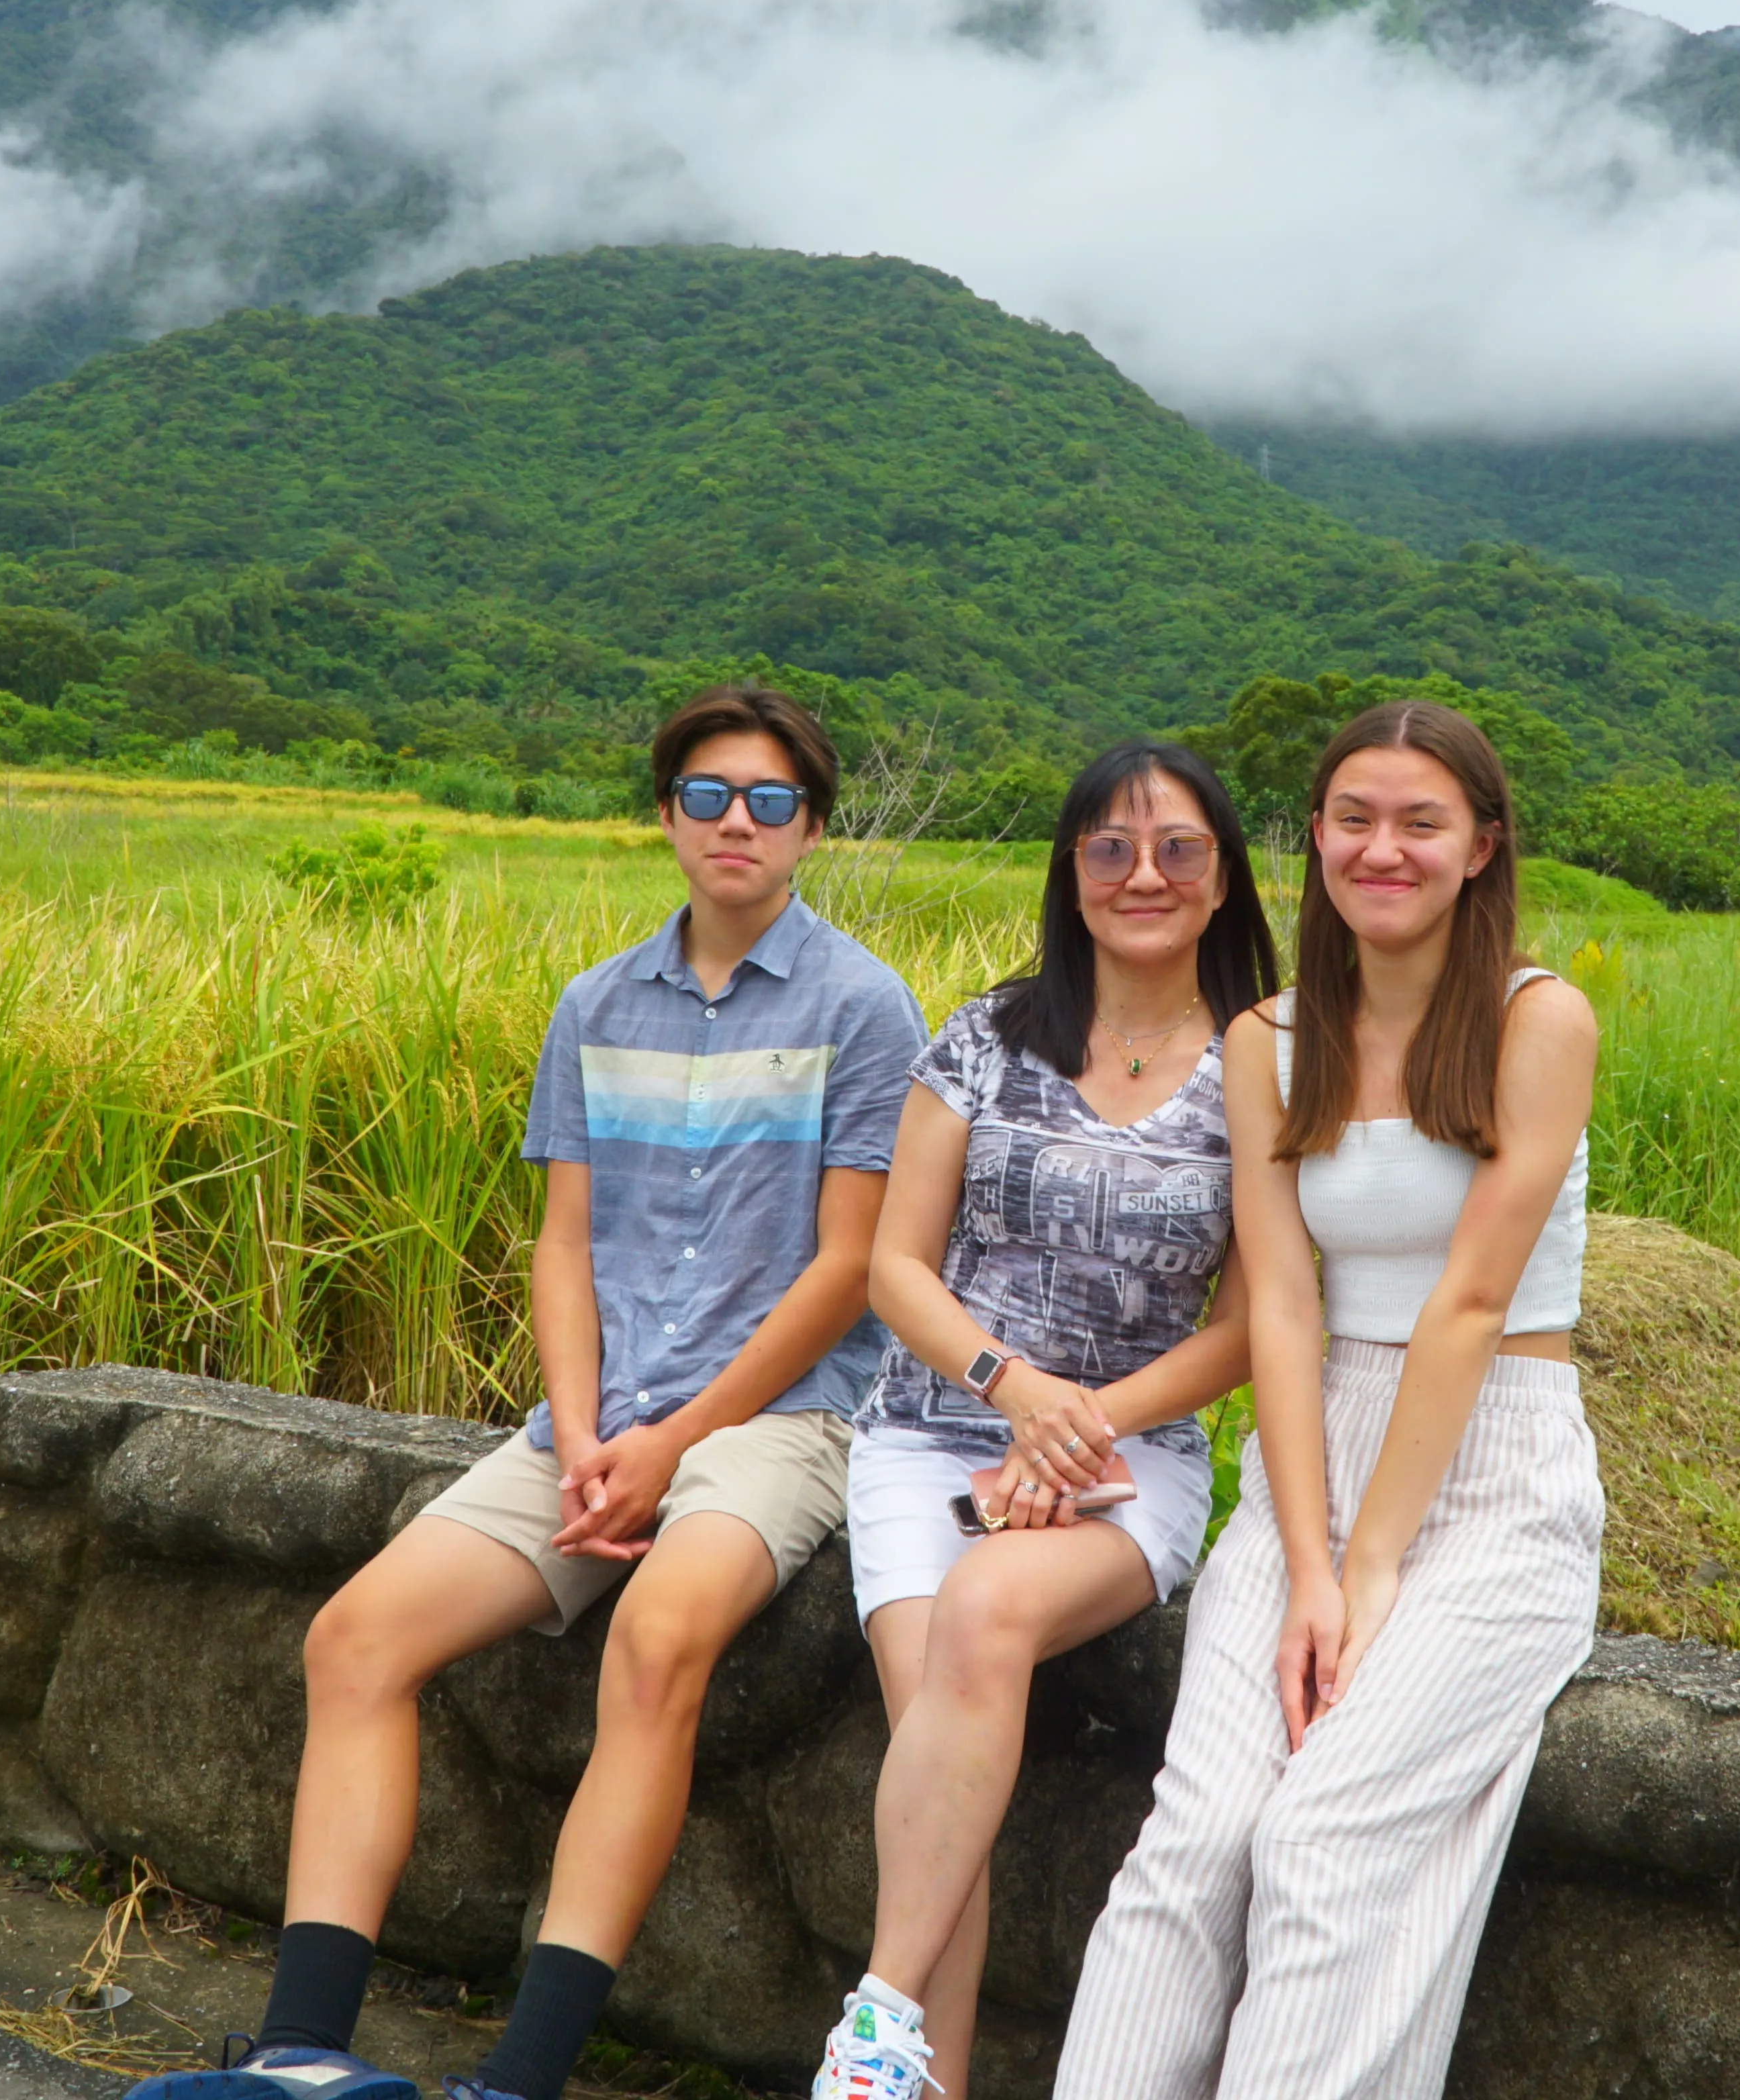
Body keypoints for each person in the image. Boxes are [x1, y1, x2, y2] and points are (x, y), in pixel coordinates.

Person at [130, 685, 928, 2100]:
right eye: (704, 794)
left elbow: (847, 1267)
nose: (734, 822)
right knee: (358, 1635)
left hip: (778, 1421)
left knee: (656, 1643)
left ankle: (523, 2072)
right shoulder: (595, 1001)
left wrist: (669, 1441)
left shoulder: (864, 1006)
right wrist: (583, 1431)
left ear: (811, 825)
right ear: (664, 814)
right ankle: (308, 2046)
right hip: (592, 1420)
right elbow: (564, 1241)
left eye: (767, 799)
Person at [1049, 700, 1600, 2100]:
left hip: (1493, 1476)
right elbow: (1281, 1302)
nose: (1385, 846)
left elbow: (1470, 1305)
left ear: (1482, 844)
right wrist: (1306, 1556)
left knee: (1326, 1837)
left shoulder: (1542, 1020)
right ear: (1314, 836)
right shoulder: (1268, 1037)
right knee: (1199, 1836)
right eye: (1355, 815)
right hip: (1314, 1460)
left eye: (1423, 820)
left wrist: (1368, 1566)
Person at [803, 743, 1279, 2100]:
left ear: (1225, 876)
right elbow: (897, 1264)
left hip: (1129, 1464)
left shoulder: (1267, 1060)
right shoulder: (987, 1034)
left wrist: (1079, 1430)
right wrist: (1010, 1386)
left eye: (1179, 847)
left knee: (985, 1616)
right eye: (1110, 848)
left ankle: (879, 2019)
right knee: (938, 1751)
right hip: (933, 1432)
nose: (1143, 873)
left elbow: (1249, 1326)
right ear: (1070, 874)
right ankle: (912, 2078)